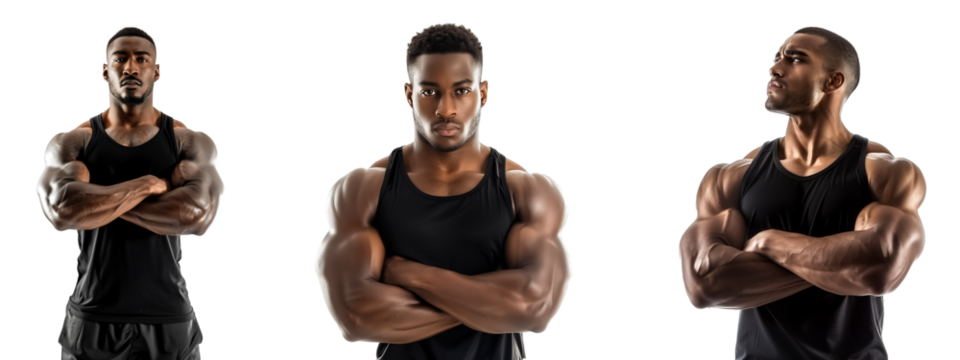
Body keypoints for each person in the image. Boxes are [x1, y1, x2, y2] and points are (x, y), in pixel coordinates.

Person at [312, 21, 575, 360]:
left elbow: (534, 309)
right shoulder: (363, 190)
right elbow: (356, 318)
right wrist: (492, 308)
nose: (445, 109)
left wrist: (406, 274)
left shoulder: (527, 191)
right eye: (430, 91)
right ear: (408, 94)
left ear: (483, 93)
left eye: (461, 91)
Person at [677, 25, 928, 359]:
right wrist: (841, 261)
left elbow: (880, 267)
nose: (774, 68)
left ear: (832, 81)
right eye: (776, 58)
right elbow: (704, 284)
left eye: (795, 59)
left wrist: (769, 243)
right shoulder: (730, 177)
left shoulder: (886, 173)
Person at [35, 25, 226, 359]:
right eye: (120, 59)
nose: (131, 67)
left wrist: (97, 200)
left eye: (142, 59)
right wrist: (145, 186)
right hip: (91, 317)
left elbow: (199, 216)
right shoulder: (73, 141)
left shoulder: (187, 141)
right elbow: (61, 212)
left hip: (168, 318)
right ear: (104, 71)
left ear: (157, 72)